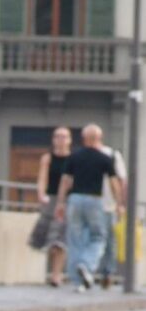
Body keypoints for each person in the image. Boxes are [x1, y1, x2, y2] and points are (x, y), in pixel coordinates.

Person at [55, 123, 124, 291]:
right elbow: (115, 183)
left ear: (84, 138)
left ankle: (78, 281)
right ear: (99, 138)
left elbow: (65, 181)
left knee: (75, 239)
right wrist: (119, 204)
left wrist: (60, 202)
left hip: (75, 200)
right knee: (98, 237)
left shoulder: (75, 156)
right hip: (94, 200)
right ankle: (87, 265)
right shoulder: (105, 158)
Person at [28, 126, 72, 287]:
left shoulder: (72, 159)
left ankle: (56, 275)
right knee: (48, 239)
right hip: (51, 200)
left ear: (69, 140)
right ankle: (51, 273)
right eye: (57, 136)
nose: (60, 140)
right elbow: (42, 177)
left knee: (59, 240)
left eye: (64, 137)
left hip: (66, 201)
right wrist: (41, 194)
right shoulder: (48, 158)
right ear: (53, 139)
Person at [96, 133, 127, 289]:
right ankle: (93, 270)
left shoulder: (113, 155)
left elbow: (121, 180)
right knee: (95, 239)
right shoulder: (84, 156)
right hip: (93, 204)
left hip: (109, 205)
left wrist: (121, 203)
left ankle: (107, 273)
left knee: (109, 241)